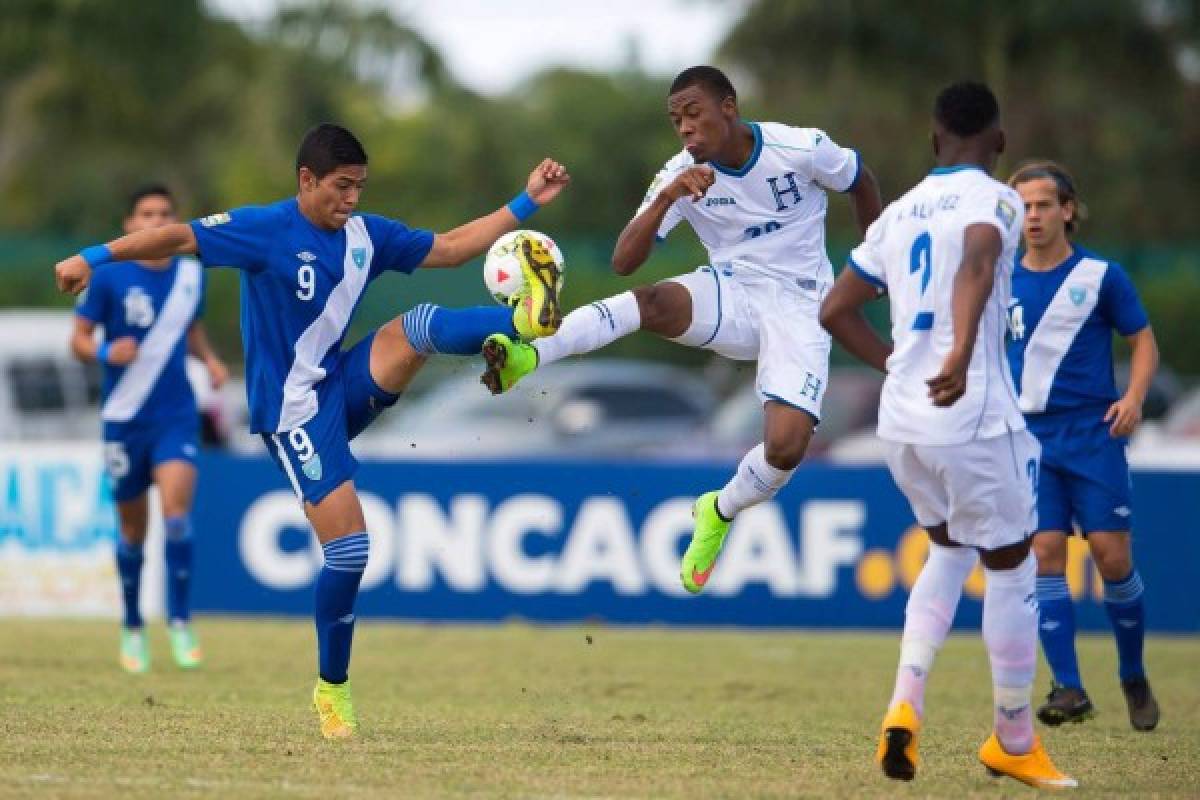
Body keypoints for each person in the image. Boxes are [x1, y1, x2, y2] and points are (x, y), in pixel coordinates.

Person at [56, 123, 569, 739]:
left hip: (339, 381)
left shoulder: (367, 235)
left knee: (420, 324)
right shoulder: (266, 229)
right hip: (292, 413)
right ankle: (333, 690)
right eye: (342, 186)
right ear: (307, 180)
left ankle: (523, 327)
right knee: (351, 551)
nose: (352, 198)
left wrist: (527, 201)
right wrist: (94, 256)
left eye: (359, 186)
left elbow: (455, 247)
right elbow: (176, 236)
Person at [479, 65, 881, 593]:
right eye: (676, 121)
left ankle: (719, 508)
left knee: (785, 448)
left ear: (728, 107)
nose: (686, 129)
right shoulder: (680, 172)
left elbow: (861, 181)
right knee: (650, 300)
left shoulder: (799, 147)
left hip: (801, 305)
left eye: (694, 114)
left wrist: (874, 263)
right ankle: (530, 356)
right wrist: (670, 197)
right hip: (732, 291)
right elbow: (625, 260)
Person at [819, 82, 1075, 789]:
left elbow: (836, 309)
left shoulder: (896, 215)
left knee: (947, 549)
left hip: (901, 423)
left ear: (934, 142)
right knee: (1013, 564)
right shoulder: (995, 198)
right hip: (972, 416)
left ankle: (905, 702)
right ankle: (1014, 739)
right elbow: (977, 260)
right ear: (998, 143)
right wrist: (958, 355)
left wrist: (900, 363)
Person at [1006, 160, 1160, 731]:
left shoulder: (1101, 276)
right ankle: (1068, 686)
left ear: (1067, 210)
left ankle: (1133, 673)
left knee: (1112, 558)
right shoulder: (1002, 278)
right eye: (1023, 207)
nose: (1034, 216)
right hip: (1031, 438)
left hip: (1094, 435)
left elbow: (1143, 343)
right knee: (1045, 553)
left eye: (1044, 204)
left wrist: (1135, 397)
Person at [71, 184, 228, 674]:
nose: (156, 221)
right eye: (146, 214)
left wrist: (210, 360)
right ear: (129, 224)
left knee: (177, 516)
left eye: (165, 213)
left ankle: (180, 621)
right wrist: (103, 352)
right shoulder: (110, 276)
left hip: (175, 414)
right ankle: (133, 625)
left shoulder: (189, 275)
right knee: (133, 532)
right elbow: (78, 339)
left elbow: (190, 329)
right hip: (123, 417)